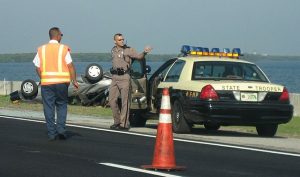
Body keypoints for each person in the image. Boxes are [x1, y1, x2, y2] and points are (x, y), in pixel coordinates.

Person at [33, 27, 79, 141]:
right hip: (62, 83)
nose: (62, 37)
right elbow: (70, 66)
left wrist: (43, 77)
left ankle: (51, 133)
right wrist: (74, 80)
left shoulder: (41, 49)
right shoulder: (63, 49)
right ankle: (61, 130)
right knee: (61, 105)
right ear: (57, 36)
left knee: (48, 108)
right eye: (61, 35)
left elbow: (37, 67)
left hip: (47, 83)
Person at [109, 33, 152, 131]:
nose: (122, 41)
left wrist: (144, 52)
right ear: (115, 41)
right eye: (119, 40)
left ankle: (124, 124)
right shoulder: (113, 50)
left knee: (125, 102)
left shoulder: (128, 50)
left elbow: (139, 57)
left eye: (123, 39)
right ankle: (117, 121)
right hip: (115, 77)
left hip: (125, 77)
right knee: (112, 101)